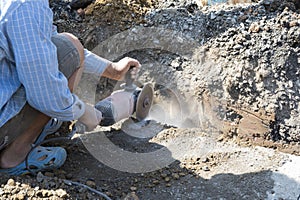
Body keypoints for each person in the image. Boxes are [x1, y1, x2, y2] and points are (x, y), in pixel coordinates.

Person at [0, 0, 141, 175]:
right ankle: (15, 155)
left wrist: (113, 71)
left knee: (69, 46)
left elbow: (47, 44)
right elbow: (47, 94)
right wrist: (87, 114)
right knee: (69, 46)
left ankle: (35, 124)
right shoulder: (26, 6)